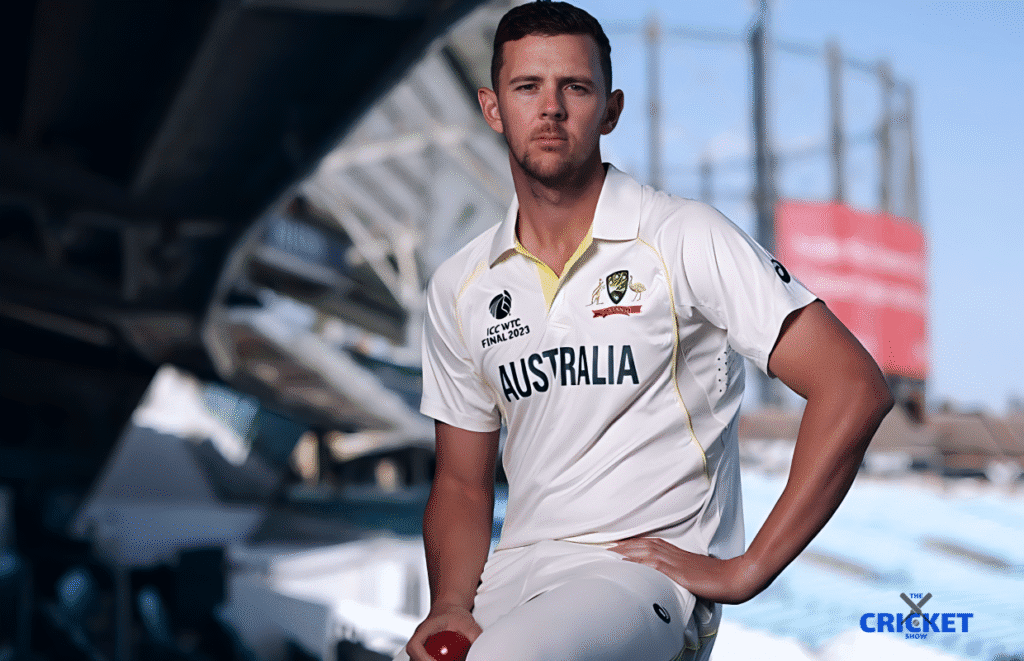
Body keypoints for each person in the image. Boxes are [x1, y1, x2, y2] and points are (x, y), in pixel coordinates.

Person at [397, 2, 894, 660]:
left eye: (574, 87)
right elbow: (462, 483)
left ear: (610, 109)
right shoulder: (461, 283)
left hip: (640, 578)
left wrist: (747, 568)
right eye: (527, 87)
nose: (551, 108)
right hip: (513, 577)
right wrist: (450, 604)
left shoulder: (682, 236)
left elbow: (853, 385)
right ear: (492, 108)